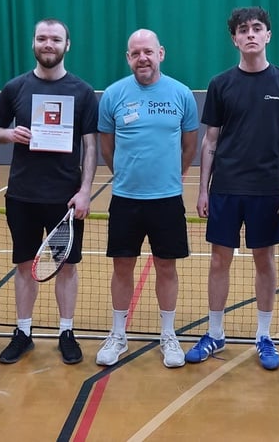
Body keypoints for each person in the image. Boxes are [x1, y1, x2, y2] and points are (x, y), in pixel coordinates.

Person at [185, 7, 279, 370]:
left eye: (257, 28)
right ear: (234, 39)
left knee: (264, 260)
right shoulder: (220, 84)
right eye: (242, 30)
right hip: (226, 189)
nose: (250, 34)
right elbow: (210, 141)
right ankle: (215, 333)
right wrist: (203, 189)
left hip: (266, 190)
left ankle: (264, 336)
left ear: (268, 35)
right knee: (220, 260)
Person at [0, 18, 97, 366]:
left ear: (68, 45)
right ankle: (23, 332)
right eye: (42, 38)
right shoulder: (15, 87)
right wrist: (9, 135)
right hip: (22, 195)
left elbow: (90, 145)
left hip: (64, 199)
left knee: (65, 268)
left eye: (55, 39)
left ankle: (66, 331)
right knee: (24, 266)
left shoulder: (82, 91)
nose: (48, 44)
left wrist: (85, 191)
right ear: (33, 43)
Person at [96, 29, 198, 368]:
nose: (143, 58)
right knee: (122, 267)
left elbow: (189, 145)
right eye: (136, 52)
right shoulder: (113, 95)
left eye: (148, 52)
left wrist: (172, 175)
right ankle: (117, 334)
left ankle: (168, 335)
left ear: (161, 53)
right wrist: (126, 172)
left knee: (166, 267)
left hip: (167, 200)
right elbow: (106, 147)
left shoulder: (181, 94)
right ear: (128, 57)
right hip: (125, 199)